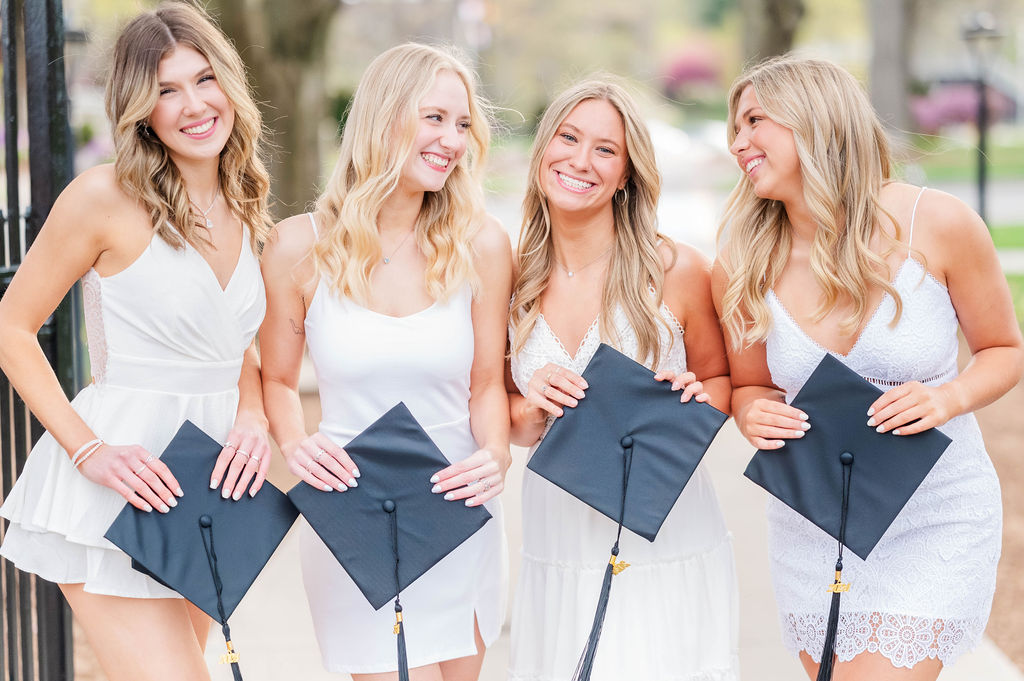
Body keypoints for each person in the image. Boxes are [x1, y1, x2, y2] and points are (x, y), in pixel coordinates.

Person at [715, 55, 1024, 680]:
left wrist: (949, 398)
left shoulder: (935, 224)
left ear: (815, 119)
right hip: (817, 520)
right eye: (734, 126)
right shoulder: (744, 261)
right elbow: (750, 384)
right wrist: (753, 413)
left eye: (754, 120)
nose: (737, 141)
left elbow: (1005, 350)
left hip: (934, 513)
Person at [0, 3, 273, 680]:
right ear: (140, 109)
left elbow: (233, 344)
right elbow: (10, 327)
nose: (193, 105)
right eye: (166, 90)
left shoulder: (243, 198)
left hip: (208, 490)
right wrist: (86, 448)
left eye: (204, 79)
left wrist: (254, 413)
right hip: (122, 481)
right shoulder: (103, 197)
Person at [260, 43, 511, 680]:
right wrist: (295, 442)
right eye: (434, 118)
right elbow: (278, 379)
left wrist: (497, 455)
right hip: (353, 512)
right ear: (383, 117)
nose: (451, 140)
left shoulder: (480, 243)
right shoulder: (298, 245)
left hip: (457, 507)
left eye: (462, 125)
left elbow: (486, 385)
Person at [506, 77, 739, 681]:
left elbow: (720, 383)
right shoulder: (508, 276)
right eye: (568, 137)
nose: (580, 161)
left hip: (662, 529)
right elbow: (496, 405)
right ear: (543, 149)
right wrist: (527, 410)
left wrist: (694, 397)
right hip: (556, 533)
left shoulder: (677, 269)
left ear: (628, 172)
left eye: (606, 149)